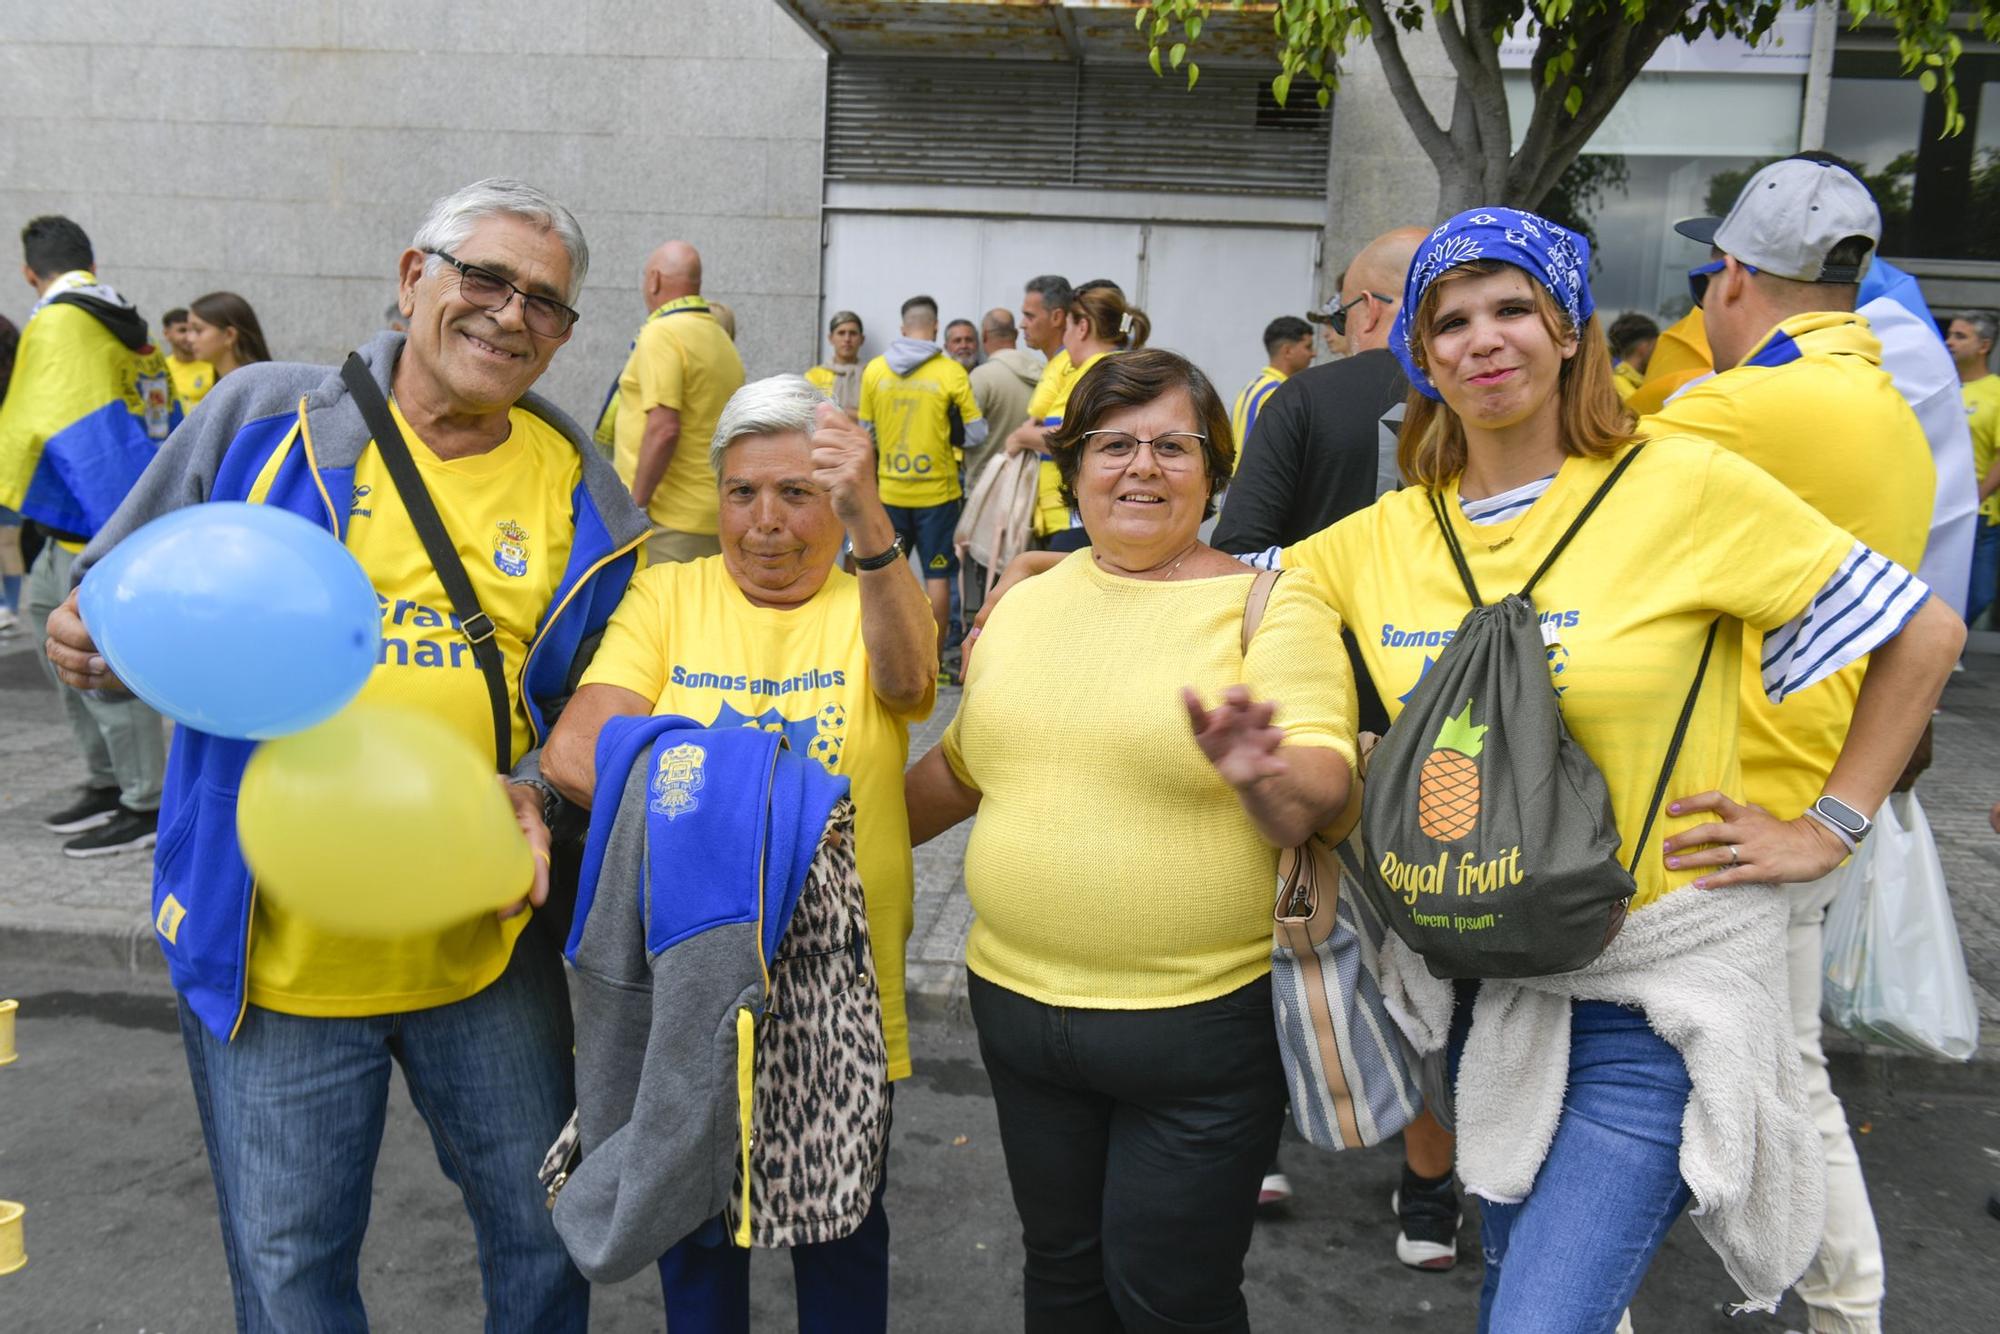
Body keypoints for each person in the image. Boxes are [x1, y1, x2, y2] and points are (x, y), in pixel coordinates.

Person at [1271, 206, 1960, 1331]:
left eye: (1512, 310)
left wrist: (1828, 825)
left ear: (1567, 330)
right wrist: (1068, 566)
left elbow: (1920, 631)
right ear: (1419, 355)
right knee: (1518, 1286)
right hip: (1470, 983)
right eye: (1449, 321)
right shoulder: (1388, 533)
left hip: (1649, 987)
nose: (1481, 339)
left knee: (1540, 1314)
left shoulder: (1680, 484)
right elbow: (1231, 579)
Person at [45, 177, 652, 1332]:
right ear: (413, 275)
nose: (510, 314)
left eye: (546, 302)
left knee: (545, 1236)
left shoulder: (582, 490)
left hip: (486, 947)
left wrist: (532, 789)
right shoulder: (259, 414)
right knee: (291, 1269)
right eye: (484, 278)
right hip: (276, 957)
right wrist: (93, 640)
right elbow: (119, 596)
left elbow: (589, 704)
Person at [905, 347, 1357, 1332]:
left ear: (1213, 468)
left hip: (1196, 1028)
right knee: (1061, 1274)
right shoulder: (1025, 597)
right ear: (1072, 469)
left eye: (1170, 445)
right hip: (1017, 1014)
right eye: (1113, 444)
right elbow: (961, 771)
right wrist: (817, 833)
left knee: (1168, 1297)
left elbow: (1321, 783)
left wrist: (1263, 773)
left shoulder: (1269, 606)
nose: (1140, 466)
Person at [537, 374, 935, 1333]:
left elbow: (912, 680)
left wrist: (873, 520)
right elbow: (577, 752)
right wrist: (776, 802)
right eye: (742, 493)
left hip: (837, 989)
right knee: (696, 1237)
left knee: (841, 1235)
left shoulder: (871, 595)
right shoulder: (670, 594)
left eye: (797, 493)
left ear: (837, 507)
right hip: (688, 985)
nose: (764, 521)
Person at [1642, 156, 1936, 1334]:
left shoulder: (1733, 408)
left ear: (1729, 277)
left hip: (1722, 810)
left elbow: (1560, 515)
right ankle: (1844, 1307)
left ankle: (1841, 1305)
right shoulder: (1887, 411)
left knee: (1668, 1080)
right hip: (1788, 795)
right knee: (1783, 1077)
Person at [1214, 225, 1465, 1264]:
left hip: (1314, 724)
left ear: (1363, 306)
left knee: (1292, 933)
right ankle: (1426, 1193)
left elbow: (1238, 555)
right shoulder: (1489, 404)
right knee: (1433, 961)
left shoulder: (1302, 399)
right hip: (1455, 737)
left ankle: (1260, 1152)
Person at [0, 214, 172, 857]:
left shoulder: (59, 323)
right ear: (89, 265)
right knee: (62, 654)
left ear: (27, 273)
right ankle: (107, 781)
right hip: (85, 526)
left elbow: (62, 431)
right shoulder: (123, 323)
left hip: (91, 530)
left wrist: (113, 537)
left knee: (97, 659)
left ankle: (142, 801)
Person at [859, 294, 986, 666]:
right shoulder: (950, 373)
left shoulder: (875, 371)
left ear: (902, 329)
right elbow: (976, 434)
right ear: (934, 328)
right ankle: (931, 663)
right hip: (938, 494)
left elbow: (866, 433)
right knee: (938, 575)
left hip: (890, 490)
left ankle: (877, 657)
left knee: (882, 575)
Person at [609, 240, 746, 565]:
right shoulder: (720, 339)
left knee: (658, 615)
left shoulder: (662, 333)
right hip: (711, 511)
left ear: (654, 279)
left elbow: (664, 429)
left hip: (667, 520)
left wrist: (635, 508)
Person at [1004, 281, 1150, 552]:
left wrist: (1022, 437)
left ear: (1082, 328)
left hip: (1079, 516)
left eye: (1067, 328)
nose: (1065, 338)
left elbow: (1071, 437)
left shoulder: (1099, 373)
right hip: (1071, 514)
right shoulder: (1093, 371)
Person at [1948, 310, 2000, 623]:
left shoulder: (1996, 393)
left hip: (1979, 514)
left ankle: (1949, 643)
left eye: (1960, 336)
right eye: (1951, 333)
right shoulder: (1939, 387)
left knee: (1979, 593)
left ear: (1984, 346)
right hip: (1935, 510)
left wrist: (1975, 498)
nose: (1949, 341)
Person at [966, 306, 1039, 484]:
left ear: (984, 336)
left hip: (986, 483)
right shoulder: (1044, 371)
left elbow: (966, 434)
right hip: (1029, 483)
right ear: (1015, 334)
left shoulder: (980, 377)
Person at [1230, 316, 1314, 455]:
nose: (1313, 353)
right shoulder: (1280, 393)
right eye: (1308, 347)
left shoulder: (1251, 387)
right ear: (1288, 351)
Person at [185, 290, 273, 378]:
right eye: (188, 330)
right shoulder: (220, 383)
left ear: (229, 335)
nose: (189, 338)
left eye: (198, 330)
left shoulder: (261, 385)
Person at [805, 309, 865, 415]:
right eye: (841, 333)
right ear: (831, 338)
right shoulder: (814, 376)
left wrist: (835, 411)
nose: (847, 339)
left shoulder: (870, 374)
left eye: (853, 333)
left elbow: (878, 415)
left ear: (862, 339)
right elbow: (809, 414)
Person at [160, 306, 215, 410]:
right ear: (166, 334)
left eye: (193, 330)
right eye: (182, 330)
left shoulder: (213, 364)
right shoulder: (162, 369)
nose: (189, 337)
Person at [1606, 311, 1658, 401]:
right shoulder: (1620, 389)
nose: (1658, 351)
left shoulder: (1613, 378)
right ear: (1643, 347)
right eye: (1655, 345)